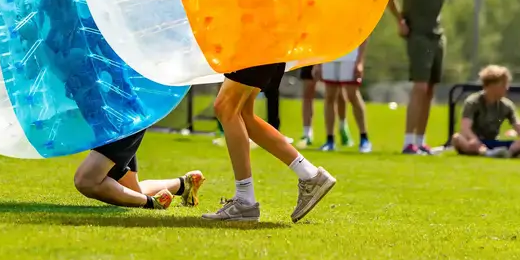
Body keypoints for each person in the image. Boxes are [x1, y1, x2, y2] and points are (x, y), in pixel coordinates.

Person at [202, 62, 336, 224]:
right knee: (243, 114)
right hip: (270, 48)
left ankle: (245, 200)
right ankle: (310, 175)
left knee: (226, 107)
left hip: (258, 45)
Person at [388, 0, 453, 155]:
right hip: (419, 37)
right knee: (420, 87)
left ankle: (421, 141)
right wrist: (400, 20)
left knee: (431, 89)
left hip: (437, 37)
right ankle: (408, 142)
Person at [72, 128, 205, 210]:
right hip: (120, 120)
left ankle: (153, 204)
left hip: (118, 121)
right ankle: (184, 184)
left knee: (86, 181)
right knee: (132, 192)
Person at [450, 65, 520, 158]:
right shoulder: (473, 102)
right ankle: (489, 153)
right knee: (457, 138)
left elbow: (518, 126)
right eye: (503, 84)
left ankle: (514, 154)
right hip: (475, 142)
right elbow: (465, 128)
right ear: (491, 85)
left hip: (494, 142)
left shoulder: (507, 105)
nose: (506, 88)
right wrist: (475, 141)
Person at [319, 43, 371, 153]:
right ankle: (330, 140)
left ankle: (364, 138)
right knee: (329, 96)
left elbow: (364, 34)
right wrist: (317, 63)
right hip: (329, 54)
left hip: (350, 56)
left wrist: (360, 60)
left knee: (352, 95)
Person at [296, 65, 318, 147]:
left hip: (326, 57)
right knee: (307, 96)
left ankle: (342, 127)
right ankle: (307, 133)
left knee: (337, 94)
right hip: (310, 59)